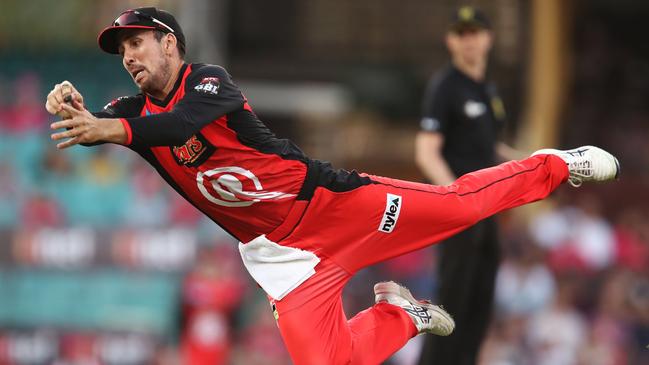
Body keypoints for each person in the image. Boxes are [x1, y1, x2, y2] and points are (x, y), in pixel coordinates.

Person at [45, 7, 620, 365]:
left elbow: (173, 126)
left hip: (333, 206)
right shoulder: (129, 109)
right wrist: (69, 104)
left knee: (458, 206)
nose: (128, 57)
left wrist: (112, 127)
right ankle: (403, 316)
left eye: (136, 43)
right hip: (279, 257)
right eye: (122, 51)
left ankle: (556, 165)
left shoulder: (207, 83)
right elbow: (109, 122)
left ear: (169, 42)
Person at [415, 6, 519, 365]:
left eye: (475, 33)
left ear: (488, 39)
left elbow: (491, 149)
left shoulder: (488, 90)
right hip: (459, 212)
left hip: (486, 210)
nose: (469, 40)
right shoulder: (445, 87)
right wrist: (456, 198)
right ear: (450, 40)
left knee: (480, 299)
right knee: (451, 302)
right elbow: (427, 152)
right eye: (462, 33)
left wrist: (536, 166)